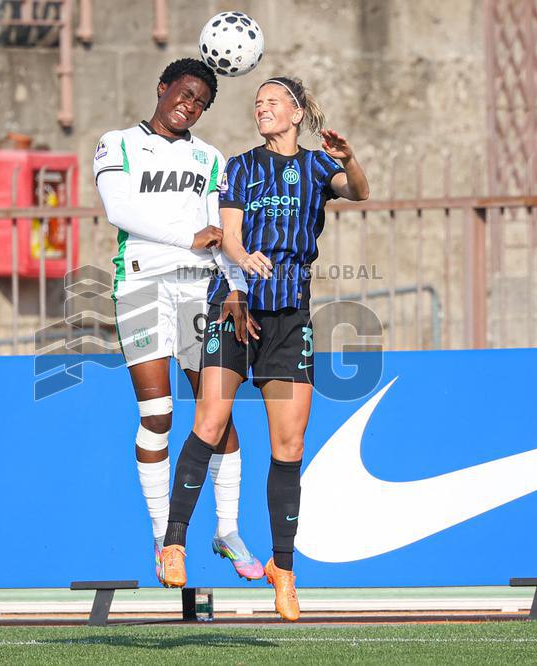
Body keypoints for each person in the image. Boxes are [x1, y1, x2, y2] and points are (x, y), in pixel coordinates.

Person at [156, 76, 370, 621]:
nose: (263, 109)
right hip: (235, 308)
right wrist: (243, 259)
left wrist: (350, 157)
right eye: (258, 104)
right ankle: (174, 542)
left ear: (297, 113)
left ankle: (284, 569)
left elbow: (360, 191)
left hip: (290, 316)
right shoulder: (240, 166)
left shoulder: (320, 167)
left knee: (290, 444)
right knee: (210, 420)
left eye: (273, 102)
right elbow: (228, 234)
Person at [92, 59, 264, 586]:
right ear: (163, 87)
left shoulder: (209, 158)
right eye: (185, 94)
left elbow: (221, 230)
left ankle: (228, 529)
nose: (190, 105)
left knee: (217, 415)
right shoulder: (116, 143)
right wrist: (184, 237)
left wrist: (235, 285)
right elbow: (119, 209)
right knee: (158, 411)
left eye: (201, 102)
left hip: (200, 290)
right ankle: (163, 535)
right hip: (142, 284)